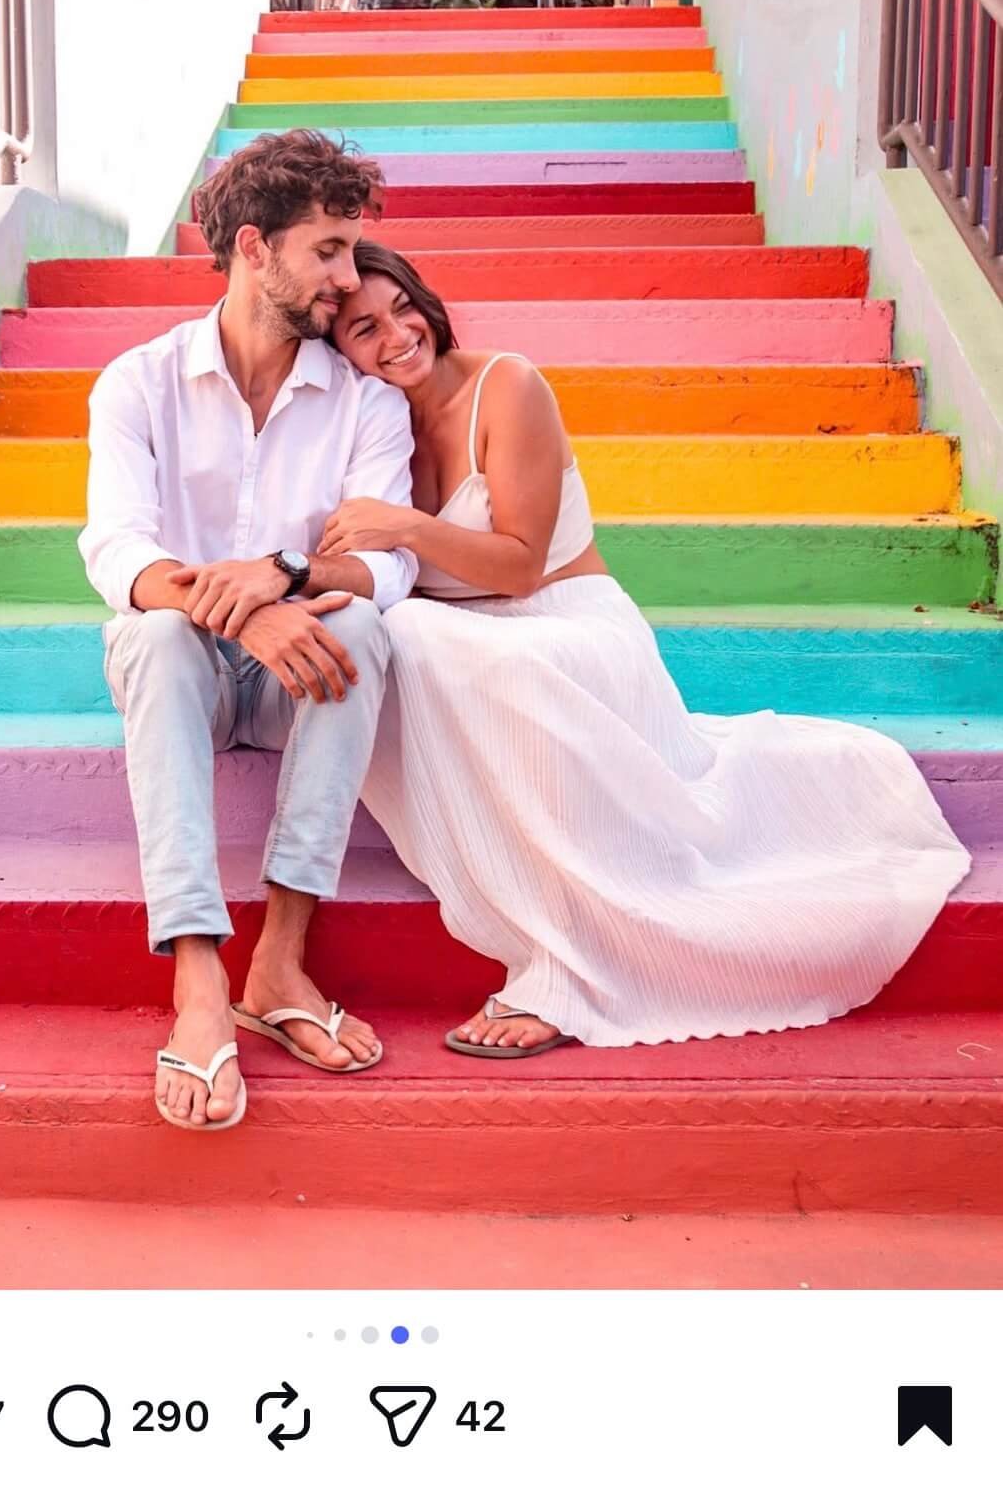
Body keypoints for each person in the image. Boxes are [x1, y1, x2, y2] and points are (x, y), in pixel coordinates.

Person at [323, 242, 972, 1057]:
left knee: (417, 633)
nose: (395, 336)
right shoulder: (370, 430)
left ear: (428, 303)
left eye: (401, 309)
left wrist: (406, 526)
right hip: (478, 655)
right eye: (362, 329)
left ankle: (569, 966)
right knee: (396, 636)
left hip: (568, 626)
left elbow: (521, 566)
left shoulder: (507, 385)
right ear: (337, 350)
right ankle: (542, 918)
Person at [78, 133, 417, 1132]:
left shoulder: (364, 401)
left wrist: (290, 579)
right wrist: (244, 610)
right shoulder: (136, 384)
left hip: (298, 678)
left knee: (363, 621)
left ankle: (279, 959)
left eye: (353, 252)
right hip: (180, 672)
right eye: (328, 251)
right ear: (254, 250)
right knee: (151, 635)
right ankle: (195, 979)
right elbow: (117, 551)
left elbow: (387, 563)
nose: (349, 279)